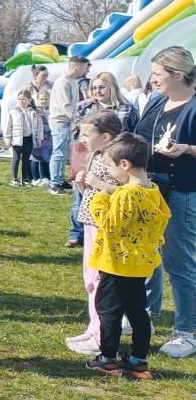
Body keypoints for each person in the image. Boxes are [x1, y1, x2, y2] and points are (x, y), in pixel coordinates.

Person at [83, 134, 169, 379]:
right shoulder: (153, 191)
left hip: (116, 263)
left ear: (124, 164)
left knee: (108, 310)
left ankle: (107, 359)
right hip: (141, 264)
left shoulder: (125, 194)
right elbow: (162, 219)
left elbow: (110, 226)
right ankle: (138, 361)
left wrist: (100, 196)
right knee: (138, 312)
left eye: (110, 165)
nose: (110, 172)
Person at [136, 46, 196, 358]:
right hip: (149, 191)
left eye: (158, 74)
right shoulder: (157, 101)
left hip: (183, 193)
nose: (152, 79)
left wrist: (187, 149)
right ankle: (143, 316)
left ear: (178, 75)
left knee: (180, 265)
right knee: (146, 257)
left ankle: (187, 332)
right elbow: (138, 137)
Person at [65, 111, 125, 355]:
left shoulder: (116, 158)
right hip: (90, 222)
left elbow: (127, 192)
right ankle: (93, 328)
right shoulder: (96, 154)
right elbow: (90, 192)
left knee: (100, 280)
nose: (82, 139)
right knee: (90, 279)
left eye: (87, 134)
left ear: (106, 136)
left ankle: (101, 335)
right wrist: (82, 183)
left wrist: (100, 184)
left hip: (105, 226)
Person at [69, 72, 141, 247]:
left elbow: (133, 132)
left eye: (102, 86)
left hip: (116, 157)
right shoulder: (84, 107)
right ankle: (78, 232)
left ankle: (109, 227)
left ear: (112, 87)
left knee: (111, 193)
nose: (98, 91)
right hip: (88, 155)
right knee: (82, 193)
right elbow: (75, 131)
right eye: (94, 87)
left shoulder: (126, 108)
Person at [48, 56, 90, 194]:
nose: (85, 71)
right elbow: (65, 105)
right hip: (60, 120)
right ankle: (54, 183)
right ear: (78, 67)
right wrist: (77, 121)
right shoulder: (63, 82)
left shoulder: (71, 81)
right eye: (84, 68)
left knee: (64, 152)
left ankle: (60, 179)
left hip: (65, 121)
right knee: (59, 152)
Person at [3, 89, 44, 187]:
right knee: (16, 158)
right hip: (17, 139)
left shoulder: (34, 112)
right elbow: (8, 125)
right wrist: (7, 138)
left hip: (28, 139)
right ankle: (14, 178)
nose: (22, 101)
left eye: (24, 99)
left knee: (26, 159)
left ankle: (25, 178)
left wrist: (39, 139)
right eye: (20, 99)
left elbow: (39, 126)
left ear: (29, 100)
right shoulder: (13, 112)